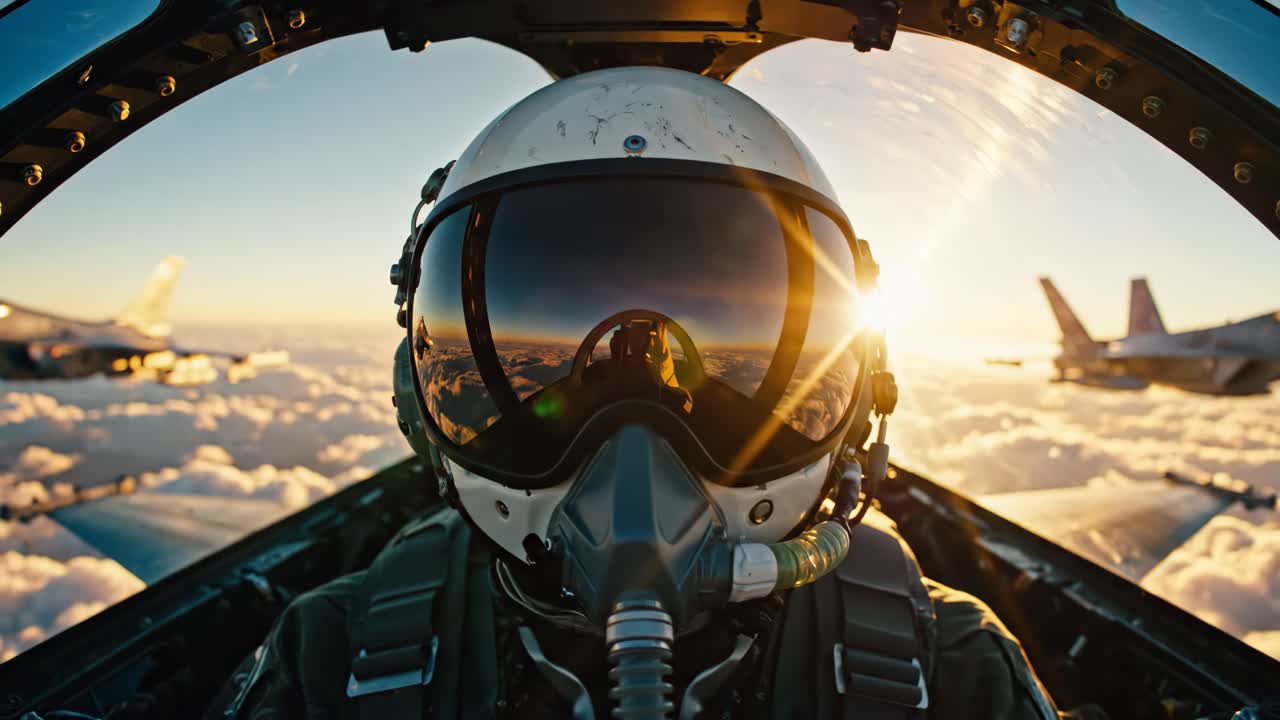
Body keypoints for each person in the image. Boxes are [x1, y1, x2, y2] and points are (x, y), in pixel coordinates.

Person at [208, 66, 1062, 720]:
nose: (634, 441)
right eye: (586, 378)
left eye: (685, 369)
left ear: (863, 385)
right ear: (414, 390)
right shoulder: (328, 653)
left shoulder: (953, 667)